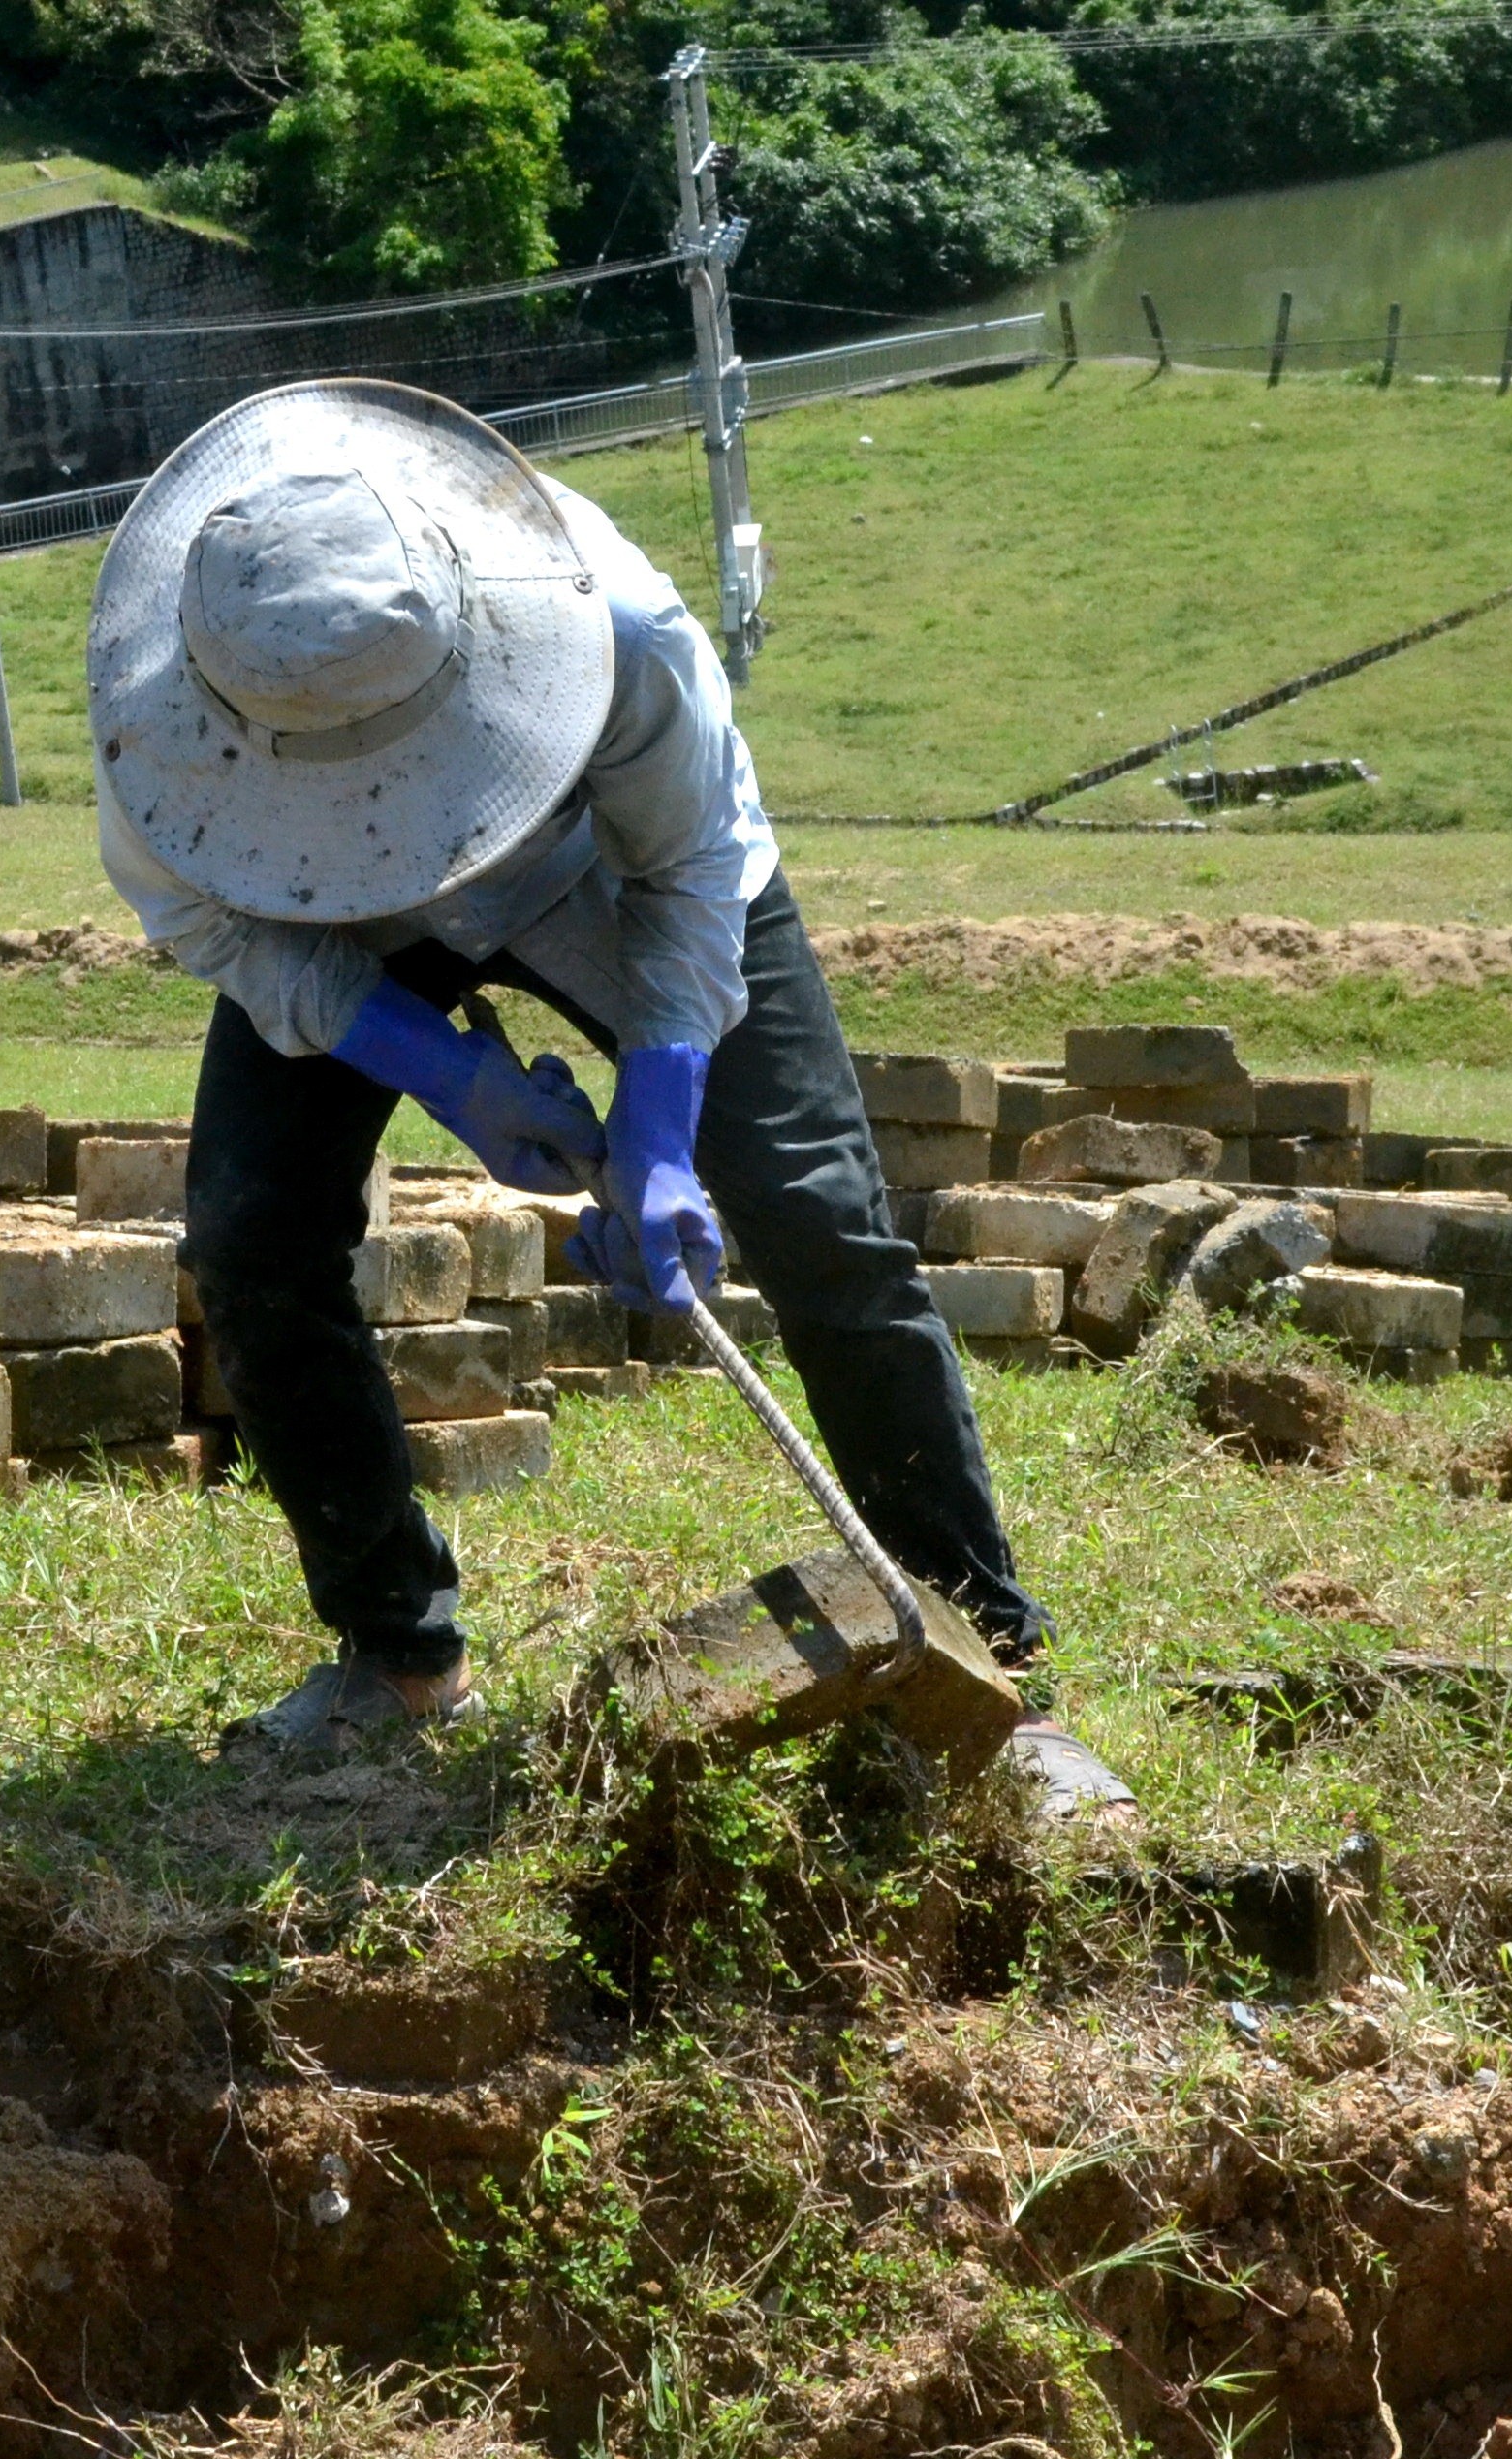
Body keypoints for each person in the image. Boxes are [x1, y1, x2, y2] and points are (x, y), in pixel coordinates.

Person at [87, 377, 1129, 1821]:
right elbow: (221, 932)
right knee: (254, 1238)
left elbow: (698, 868)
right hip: (322, 907)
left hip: (608, 871)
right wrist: (446, 1073)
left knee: (817, 1220)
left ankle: (988, 1667)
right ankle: (396, 1656)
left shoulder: (616, 633)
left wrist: (659, 1118)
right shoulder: (171, 730)